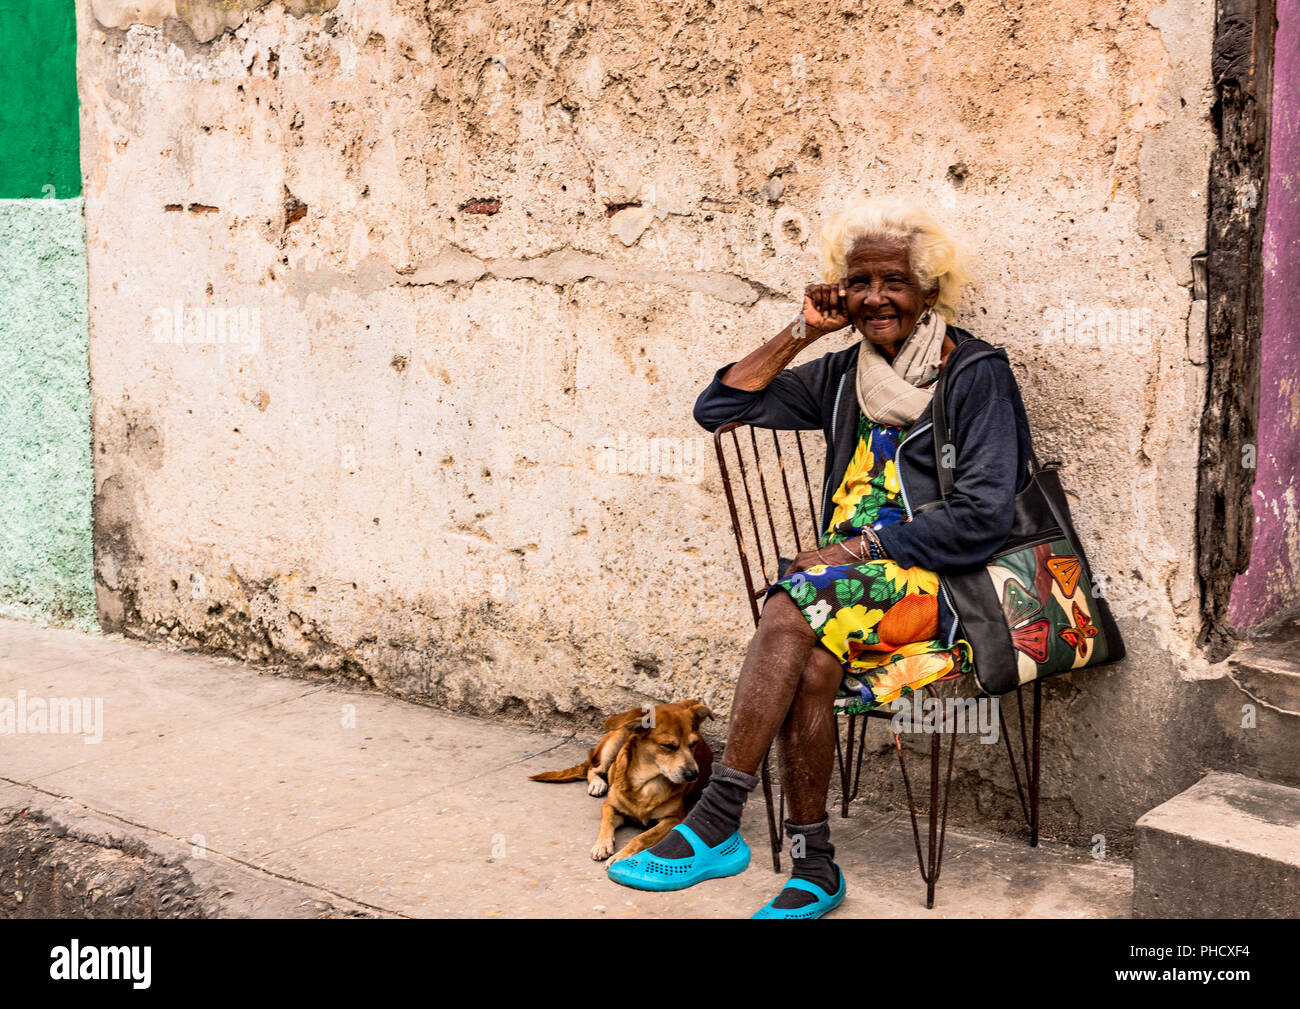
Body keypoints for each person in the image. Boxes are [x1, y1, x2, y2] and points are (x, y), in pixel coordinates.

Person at [606, 195, 1035, 918]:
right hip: (845, 595)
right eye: (859, 282)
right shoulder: (846, 375)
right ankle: (816, 863)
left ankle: (715, 819)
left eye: (893, 281)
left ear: (930, 289)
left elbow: (985, 516)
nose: (874, 298)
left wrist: (863, 545)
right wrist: (803, 329)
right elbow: (719, 408)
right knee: (808, 649)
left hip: (949, 594)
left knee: (798, 594)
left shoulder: (975, 375)